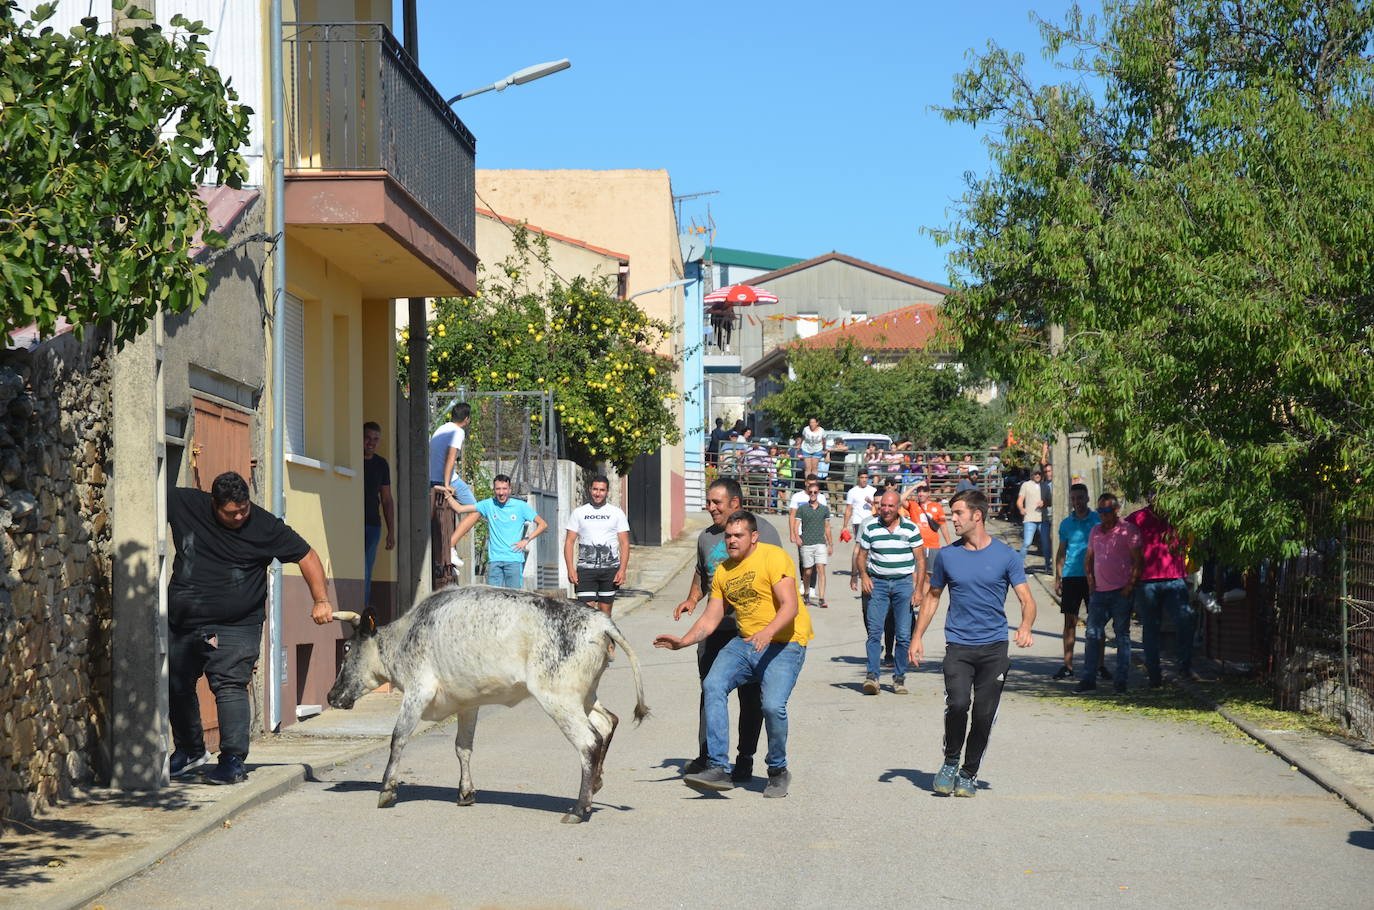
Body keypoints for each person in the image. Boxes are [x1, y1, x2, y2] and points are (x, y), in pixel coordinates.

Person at [167, 471, 334, 785]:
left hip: (238, 623)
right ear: (213, 504)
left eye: (243, 508)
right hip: (184, 621)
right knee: (175, 683)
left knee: (229, 684)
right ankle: (190, 749)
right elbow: (145, 491)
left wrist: (321, 599)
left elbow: (307, 555)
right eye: (231, 513)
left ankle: (231, 759)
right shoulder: (184, 504)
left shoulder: (264, 525)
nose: (239, 516)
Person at [657, 510, 812, 799]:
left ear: (753, 537)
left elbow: (790, 606)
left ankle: (778, 770)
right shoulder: (724, 571)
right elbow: (710, 619)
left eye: (738, 535)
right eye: (728, 535)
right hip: (746, 643)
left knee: (772, 707)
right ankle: (718, 766)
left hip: (785, 642)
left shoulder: (773, 557)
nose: (731, 540)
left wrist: (768, 632)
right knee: (713, 684)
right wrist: (683, 641)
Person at [911, 489, 1037, 798]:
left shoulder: (1006, 556)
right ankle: (951, 761)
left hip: (994, 648)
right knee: (957, 704)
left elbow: (1027, 599)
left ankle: (969, 772)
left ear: (976, 516)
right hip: (959, 645)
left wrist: (1025, 626)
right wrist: (916, 638)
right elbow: (933, 598)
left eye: (957, 514)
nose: (951, 519)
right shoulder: (948, 555)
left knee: (983, 714)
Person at [673, 479, 782, 782]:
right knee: (711, 689)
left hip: (750, 631)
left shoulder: (765, 531)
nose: (710, 508)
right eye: (708, 502)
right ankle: (710, 758)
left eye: (716, 503)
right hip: (715, 627)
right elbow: (701, 572)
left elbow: (777, 577)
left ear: (735, 503)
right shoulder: (706, 538)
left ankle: (744, 759)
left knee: (750, 697)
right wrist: (693, 599)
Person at [857, 489, 925, 695]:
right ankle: (872, 677)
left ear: (898, 507)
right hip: (878, 584)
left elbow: (921, 560)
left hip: (903, 585)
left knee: (903, 635)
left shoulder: (911, 529)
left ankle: (899, 678)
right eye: (883, 505)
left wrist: (919, 589)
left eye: (890, 506)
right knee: (874, 632)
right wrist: (864, 576)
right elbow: (861, 556)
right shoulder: (871, 528)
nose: (886, 509)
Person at [1074, 493, 1143, 694]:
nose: (1103, 515)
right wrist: (1090, 582)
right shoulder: (1095, 531)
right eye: (1100, 511)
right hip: (1099, 593)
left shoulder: (1128, 530)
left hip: (1121, 592)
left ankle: (1120, 681)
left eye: (1107, 511)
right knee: (1092, 634)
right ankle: (1088, 679)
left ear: (1116, 511)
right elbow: (1089, 558)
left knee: (1122, 635)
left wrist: (1130, 586)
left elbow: (1138, 560)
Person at [1126, 495, 1197, 685]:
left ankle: (1184, 667)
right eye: (1155, 497)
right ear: (1150, 499)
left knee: (1185, 620)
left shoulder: (1178, 517)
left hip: (1174, 577)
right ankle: (1154, 674)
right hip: (1147, 580)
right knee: (1151, 627)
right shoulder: (1137, 518)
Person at [451, 474, 548, 589]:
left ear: (509, 490)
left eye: (504, 489)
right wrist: (447, 493)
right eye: (498, 489)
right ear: (494, 490)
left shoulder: (520, 506)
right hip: (495, 561)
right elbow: (459, 509)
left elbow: (543, 524)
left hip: (514, 560)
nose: (501, 492)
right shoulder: (488, 504)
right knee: (492, 599)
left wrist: (526, 540)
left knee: (514, 598)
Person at [1052, 483, 1101, 680]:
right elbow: (1061, 552)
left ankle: (1100, 665)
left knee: (1096, 623)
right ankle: (1068, 665)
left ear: (1087, 498)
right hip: (1071, 576)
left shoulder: (1097, 521)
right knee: (1070, 621)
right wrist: (1058, 577)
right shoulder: (1066, 524)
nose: (1077, 502)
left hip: (1094, 577)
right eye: (1073, 499)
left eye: (1080, 498)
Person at [564, 474, 630, 620]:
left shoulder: (616, 513)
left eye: (601, 490)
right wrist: (570, 569)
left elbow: (624, 543)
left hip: (610, 571)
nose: (598, 493)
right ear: (589, 489)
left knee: (604, 616)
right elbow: (569, 541)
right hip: (585, 571)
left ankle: (607, 643)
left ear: (607, 492)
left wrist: (622, 570)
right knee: (585, 615)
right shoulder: (579, 513)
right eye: (595, 489)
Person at [361, 421, 395, 607]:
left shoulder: (381, 464)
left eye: (375, 439)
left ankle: (364, 611)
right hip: (352, 524)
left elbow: (387, 499)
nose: (371, 443)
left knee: (367, 571)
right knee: (359, 571)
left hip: (373, 525)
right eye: (367, 438)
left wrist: (391, 532)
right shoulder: (354, 460)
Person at [904, 484, 952, 602]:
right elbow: (900, 499)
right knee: (914, 575)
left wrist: (949, 543)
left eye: (924, 491)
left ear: (929, 494)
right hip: (916, 545)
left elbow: (943, 526)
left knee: (928, 577)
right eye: (919, 492)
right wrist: (916, 485)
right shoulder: (913, 505)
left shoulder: (937, 507)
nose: (921, 494)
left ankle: (923, 602)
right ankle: (914, 597)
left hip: (932, 545)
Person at [790, 479, 833, 609]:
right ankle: (807, 593)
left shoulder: (824, 509)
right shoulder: (802, 509)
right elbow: (796, 524)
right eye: (811, 492)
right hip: (806, 542)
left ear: (818, 493)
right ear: (808, 493)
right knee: (807, 571)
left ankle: (821, 598)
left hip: (820, 542)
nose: (813, 494)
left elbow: (827, 527)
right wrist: (797, 536)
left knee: (821, 569)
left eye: (815, 492)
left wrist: (830, 543)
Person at [843, 469, 878, 593]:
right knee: (859, 547)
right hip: (858, 522)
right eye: (862, 477)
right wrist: (844, 525)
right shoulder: (852, 492)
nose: (864, 479)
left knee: (871, 548)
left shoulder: (873, 490)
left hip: (872, 520)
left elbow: (879, 505)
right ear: (858, 478)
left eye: (866, 477)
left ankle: (868, 570)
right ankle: (855, 572)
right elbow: (848, 509)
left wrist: (871, 502)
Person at [1017, 466, 1047, 570]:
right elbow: (1020, 500)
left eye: (1039, 473)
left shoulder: (1045, 485)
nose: (1037, 475)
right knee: (1027, 542)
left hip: (1043, 519)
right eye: (1035, 474)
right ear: (1032, 475)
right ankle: (1019, 565)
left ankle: (1048, 566)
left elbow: (1051, 501)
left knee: (1046, 543)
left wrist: (1045, 502)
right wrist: (1021, 508)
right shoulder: (1026, 485)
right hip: (1029, 518)